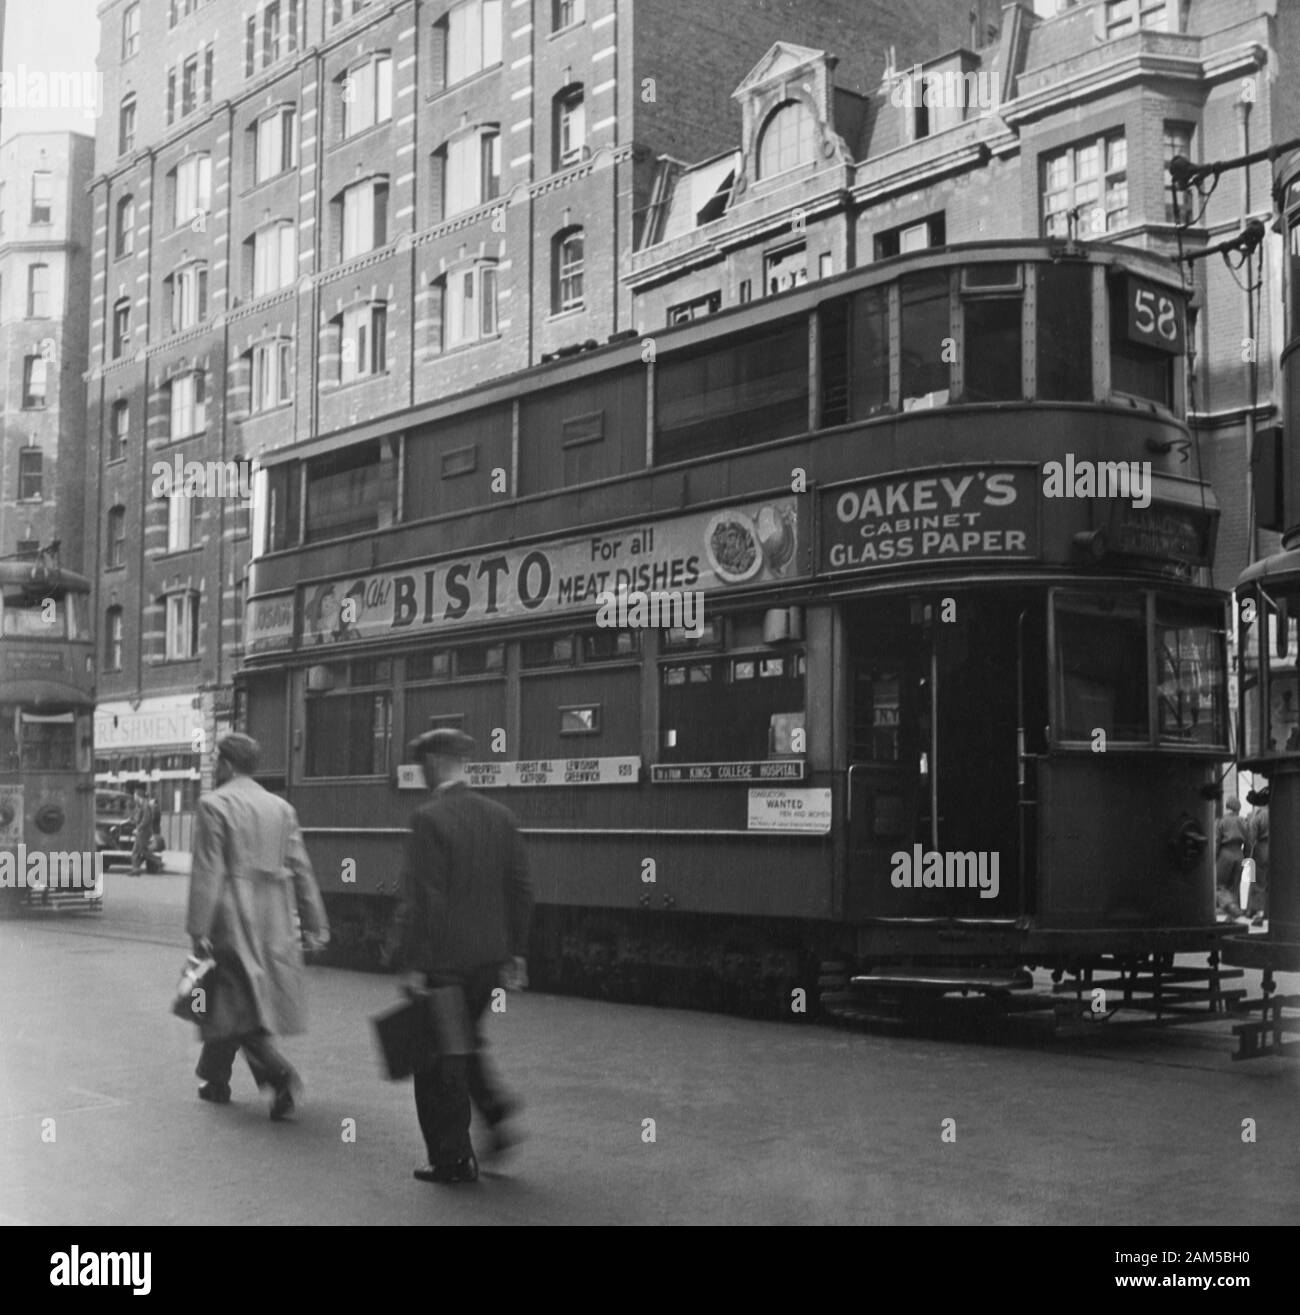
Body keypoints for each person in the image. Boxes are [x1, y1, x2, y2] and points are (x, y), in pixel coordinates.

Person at [395, 728, 533, 1185]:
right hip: (489, 962)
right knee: (465, 1040)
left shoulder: (428, 818)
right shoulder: (501, 815)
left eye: (421, 766)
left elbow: (423, 899)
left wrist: (413, 961)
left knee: (436, 1060)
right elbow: (520, 890)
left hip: (445, 963)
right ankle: (495, 1113)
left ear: (433, 763)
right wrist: (515, 952)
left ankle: (453, 1159)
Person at [185, 733, 330, 1119]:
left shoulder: (213, 804)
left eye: (216, 760)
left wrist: (197, 929)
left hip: (233, 916)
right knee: (234, 997)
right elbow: (301, 868)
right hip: (276, 916)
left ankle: (278, 1074)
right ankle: (214, 1077)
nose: (214, 767)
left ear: (228, 764)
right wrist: (315, 923)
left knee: (236, 1000)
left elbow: (207, 872)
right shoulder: (281, 808)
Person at [1214, 796, 1249, 923]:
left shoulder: (1222, 821)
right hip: (1239, 853)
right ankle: (1231, 917)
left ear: (1227, 807)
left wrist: (1214, 857)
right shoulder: (1243, 821)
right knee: (1235, 886)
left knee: (1219, 885)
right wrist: (1246, 856)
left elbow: (1217, 841)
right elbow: (1249, 841)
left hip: (1225, 853)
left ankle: (1232, 909)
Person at [1246, 798, 1269, 927]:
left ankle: (1259, 914)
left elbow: (1251, 838)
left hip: (1261, 849)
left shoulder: (1258, 816)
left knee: (1259, 882)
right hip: (1276, 849)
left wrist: (1248, 856)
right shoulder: (1277, 813)